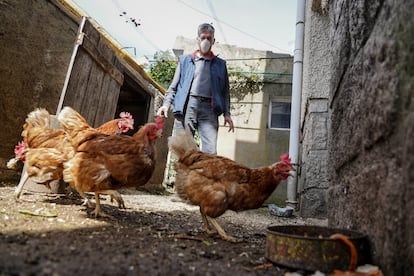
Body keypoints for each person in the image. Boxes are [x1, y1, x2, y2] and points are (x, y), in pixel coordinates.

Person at [157, 23, 234, 154]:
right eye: (203, 37)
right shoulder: (185, 60)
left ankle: (206, 174)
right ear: (197, 39)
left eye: (209, 38)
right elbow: (174, 86)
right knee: (184, 150)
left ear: (213, 41)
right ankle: (184, 174)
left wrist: (227, 113)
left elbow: (225, 91)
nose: (206, 41)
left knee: (210, 152)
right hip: (188, 105)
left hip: (210, 108)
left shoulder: (220, 64)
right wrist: (166, 104)